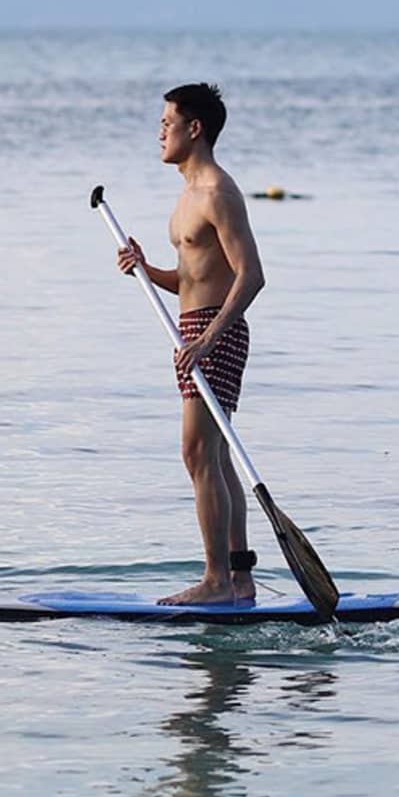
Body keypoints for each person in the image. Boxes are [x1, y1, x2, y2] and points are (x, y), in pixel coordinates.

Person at [116, 83, 266, 605]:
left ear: (194, 128)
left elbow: (251, 276)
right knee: (216, 456)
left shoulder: (217, 193)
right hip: (194, 330)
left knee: (198, 451)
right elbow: (191, 279)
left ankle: (216, 580)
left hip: (214, 333)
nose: (160, 133)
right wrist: (145, 269)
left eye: (168, 123)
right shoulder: (186, 197)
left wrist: (208, 337)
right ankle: (239, 579)